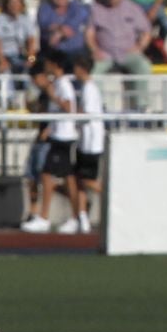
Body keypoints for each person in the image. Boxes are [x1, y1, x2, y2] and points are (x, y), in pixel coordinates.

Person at [20, 52, 83, 232]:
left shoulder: (62, 85)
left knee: (51, 176)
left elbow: (68, 108)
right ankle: (76, 215)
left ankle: (49, 217)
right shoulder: (57, 84)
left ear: (54, 65)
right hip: (58, 135)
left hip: (63, 136)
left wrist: (52, 94)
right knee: (63, 177)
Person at [68, 54, 105, 232]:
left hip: (92, 142)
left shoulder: (90, 88)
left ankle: (113, 195)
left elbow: (88, 113)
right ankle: (82, 217)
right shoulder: (86, 88)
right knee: (78, 179)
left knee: (87, 179)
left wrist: (74, 116)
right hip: (85, 141)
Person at [35, 0, 90, 64]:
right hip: (51, 51)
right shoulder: (45, 7)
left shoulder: (77, 7)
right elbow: (45, 24)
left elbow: (70, 29)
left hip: (75, 52)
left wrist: (58, 33)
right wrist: (61, 29)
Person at [0, 0, 37, 76]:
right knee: (5, 72)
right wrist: (2, 61)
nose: (14, 5)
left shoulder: (26, 20)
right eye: (11, 2)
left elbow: (31, 42)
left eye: (17, 2)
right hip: (3, 56)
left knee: (31, 71)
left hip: (19, 56)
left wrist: (31, 59)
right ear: (6, 5)